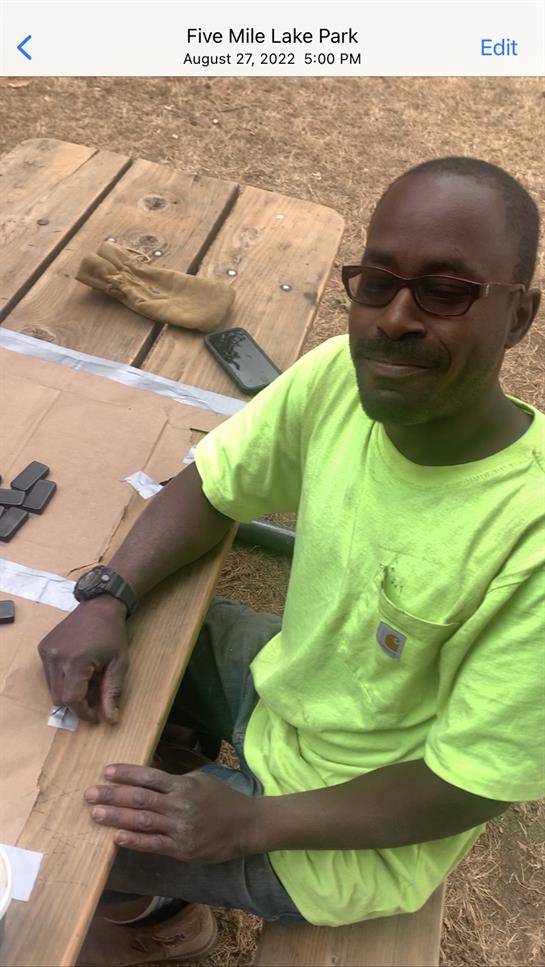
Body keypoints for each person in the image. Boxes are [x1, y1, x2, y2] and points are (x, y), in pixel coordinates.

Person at [39, 157, 545, 966]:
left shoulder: (530, 537)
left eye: (445, 291)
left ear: (518, 314)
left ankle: (155, 913)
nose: (395, 318)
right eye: (375, 282)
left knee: (53, 828)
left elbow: (468, 783)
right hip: (291, 687)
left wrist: (250, 821)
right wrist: (109, 593)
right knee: (144, 628)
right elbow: (212, 483)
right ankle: (169, 812)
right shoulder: (338, 378)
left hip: (352, 831)